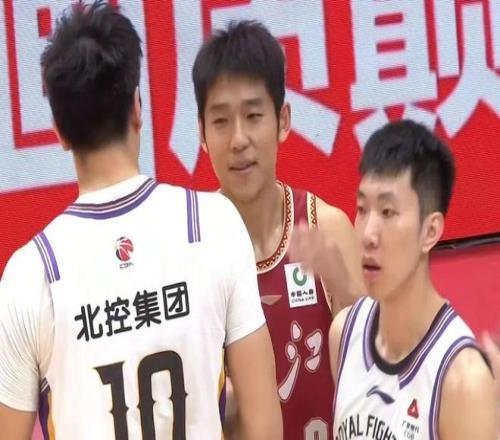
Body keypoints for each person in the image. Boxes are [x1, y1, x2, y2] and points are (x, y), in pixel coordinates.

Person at [0, 2, 282, 439]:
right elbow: (264, 426)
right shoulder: (211, 225)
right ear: (137, 107)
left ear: (58, 129)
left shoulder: (30, 273)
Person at [192, 20, 363, 438]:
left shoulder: (327, 228)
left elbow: (379, 372)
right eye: (220, 121)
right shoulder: (189, 251)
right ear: (201, 133)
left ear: (283, 120)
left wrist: (345, 288)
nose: (239, 140)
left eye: (253, 116)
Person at [330, 120, 498, 439]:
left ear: (430, 231)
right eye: (362, 209)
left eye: (387, 212)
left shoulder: (463, 380)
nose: (367, 234)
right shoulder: (344, 334)